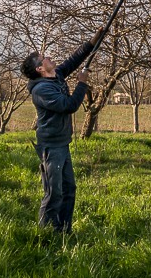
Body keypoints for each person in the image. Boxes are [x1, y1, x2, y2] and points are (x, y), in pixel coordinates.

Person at [20, 28, 103, 234]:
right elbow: (69, 105)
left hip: (62, 143)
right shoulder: (42, 90)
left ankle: (64, 231)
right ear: (40, 69)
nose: (48, 57)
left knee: (69, 190)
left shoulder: (54, 77)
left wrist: (91, 43)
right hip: (51, 146)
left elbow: (73, 61)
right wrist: (82, 83)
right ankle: (47, 233)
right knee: (54, 192)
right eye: (43, 58)